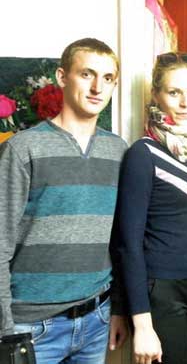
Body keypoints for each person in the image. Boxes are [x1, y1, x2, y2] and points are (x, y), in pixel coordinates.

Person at [0, 37, 128, 363]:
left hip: (97, 319)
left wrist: (117, 309)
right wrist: (6, 327)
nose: (97, 87)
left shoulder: (119, 151)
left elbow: (121, 241)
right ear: (62, 77)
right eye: (87, 74)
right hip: (32, 326)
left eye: (108, 78)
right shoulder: (23, 149)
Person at [112, 52, 187, 364]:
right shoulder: (143, 153)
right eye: (174, 92)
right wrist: (141, 323)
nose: (185, 102)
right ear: (156, 95)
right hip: (160, 291)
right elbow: (127, 243)